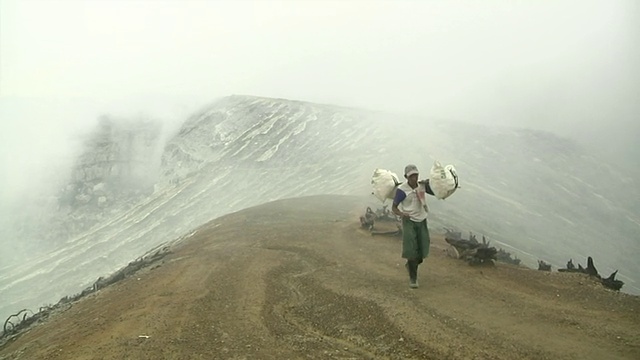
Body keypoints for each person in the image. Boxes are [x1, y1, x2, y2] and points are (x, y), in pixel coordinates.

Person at [391, 164, 435, 288]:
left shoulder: (422, 186)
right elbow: (394, 207)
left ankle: (411, 265)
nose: (414, 178)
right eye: (411, 176)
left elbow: (436, 192)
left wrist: (431, 184)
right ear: (406, 177)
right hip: (409, 221)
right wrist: (401, 213)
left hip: (421, 220)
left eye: (416, 175)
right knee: (411, 251)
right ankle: (413, 278)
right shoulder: (402, 190)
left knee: (422, 251)